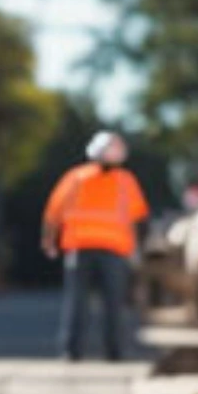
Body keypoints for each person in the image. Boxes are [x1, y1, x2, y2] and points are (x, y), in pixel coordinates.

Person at [43, 130, 150, 362]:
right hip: (111, 250)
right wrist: (137, 251)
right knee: (113, 303)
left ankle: (72, 351)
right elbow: (138, 219)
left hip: (82, 249)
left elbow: (53, 213)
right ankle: (114, 352)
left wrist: (49, 242)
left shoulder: (76, 177)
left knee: (78, 302)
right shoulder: (125, 180)